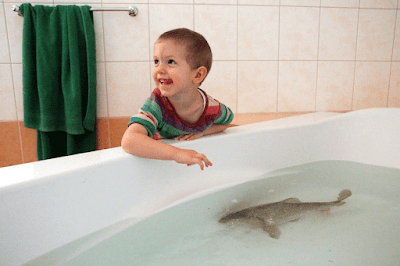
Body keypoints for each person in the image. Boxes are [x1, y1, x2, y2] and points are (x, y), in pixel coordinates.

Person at [121, 28, 233, 170]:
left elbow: (225, 122)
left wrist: (203, 132)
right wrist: (177, 153)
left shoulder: (210, 107)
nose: (160, 69)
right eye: (156, 61)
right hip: (155, 166)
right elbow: (129, 141)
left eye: (171, 62)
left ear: (198, 75)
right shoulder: (157, 104)